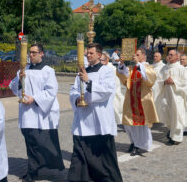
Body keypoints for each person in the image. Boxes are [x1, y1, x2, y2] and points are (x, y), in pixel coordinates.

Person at [9, 44, 64, 182]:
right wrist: (20, 80)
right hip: (27, 114)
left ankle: (52, 171)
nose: (31, 55)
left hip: (42, 114)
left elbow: (51, 91)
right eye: (30, 53)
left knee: (45, 144)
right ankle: (33, 172)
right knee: (31, 144)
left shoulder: (48, 71)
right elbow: (13, 87)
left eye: (34, 52)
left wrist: (34, 99)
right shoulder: (23, 70)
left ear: (42, 54)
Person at [68, 43, 123, 182]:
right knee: (79, 158)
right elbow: (73, 90)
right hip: (82, 120)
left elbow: (106, 92)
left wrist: (88, 81)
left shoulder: (106, 71)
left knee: (104, 161)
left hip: (99, 121)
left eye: (91, 53)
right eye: (87, 53)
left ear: (99, 55)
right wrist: (76, 99)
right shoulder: (81, 71)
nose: (88, 55)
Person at [117, 48, 159, 155]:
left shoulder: (148, 67)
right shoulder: (132, 68)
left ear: (144, 56)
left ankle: (139, 145)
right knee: (128, 123)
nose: (135, 56)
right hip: (131, 99)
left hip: (142, 99)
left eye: (138, 54)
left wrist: (138, 64)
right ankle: (133, 142)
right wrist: (122, 64)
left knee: (140, 125)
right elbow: (125, 78)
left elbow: (150, 79)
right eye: (134, 54)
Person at [155, 50, 187, 145]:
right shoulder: (164, 68)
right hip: (166, 95)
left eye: (171, 55)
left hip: (177, 96)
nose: (169, 56)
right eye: (168, 54)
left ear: (177, 57)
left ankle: (176, 138)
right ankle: (171, 132)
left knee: (177, 115)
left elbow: (186, 83)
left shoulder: (181, 69)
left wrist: (174, 81)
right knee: (168, 115)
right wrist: (164, 82)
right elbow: (158, 80)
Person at [101, 52, 124, 124]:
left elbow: (116, 82)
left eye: (102, 60)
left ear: (107, 59)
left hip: (111, 92)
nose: (100, 61)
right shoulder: (100, 68)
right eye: (100, 60)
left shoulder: (112, 68)